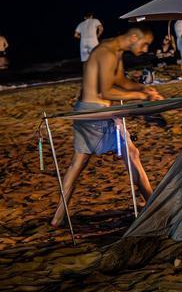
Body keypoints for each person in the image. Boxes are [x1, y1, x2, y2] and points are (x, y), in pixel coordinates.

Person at [50, 27, 162, 227]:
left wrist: (143, 88)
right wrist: (140, 96)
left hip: (85, 111)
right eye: (144, 44)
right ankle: (152, 204)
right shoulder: (107, 52)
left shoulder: (114, 50)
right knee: (131, 154)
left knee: (78, 163)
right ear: (134, 37)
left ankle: (58, 217)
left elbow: (119, 81)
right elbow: (107, 91)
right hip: (96, 114)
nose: (145, 49)